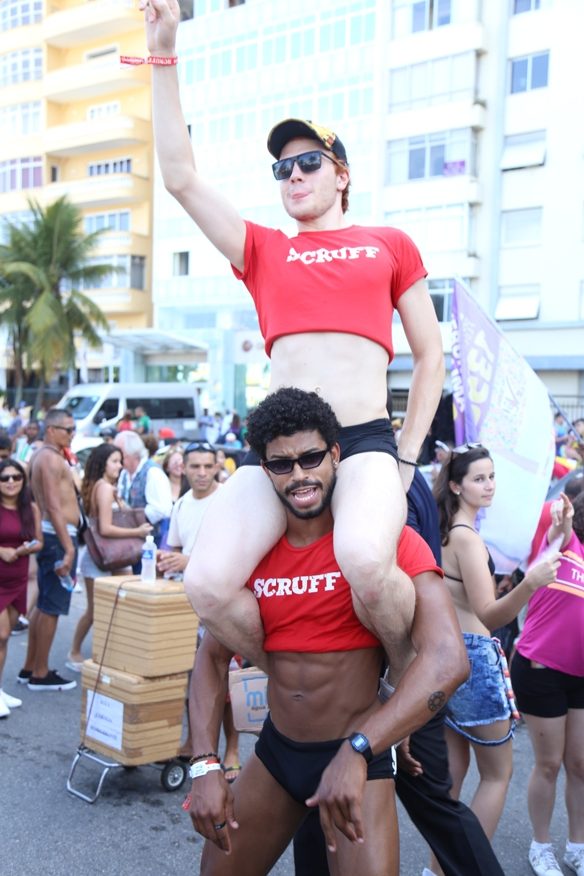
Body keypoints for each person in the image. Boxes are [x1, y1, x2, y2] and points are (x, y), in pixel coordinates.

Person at [142, 0, 445, 677]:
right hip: (277, 448)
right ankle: (291, 679)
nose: (295, 175)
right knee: (206, 584)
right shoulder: (264, 249)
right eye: (283, 169)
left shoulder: (389, 242)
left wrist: (405, 458)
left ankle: (398, 680)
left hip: (363, 441)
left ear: (342, 173)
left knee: (365, 559)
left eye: (309, 161)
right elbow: (180, 178)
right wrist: (163, 51)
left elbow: (431, 356)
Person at [185, 387, 467, 875]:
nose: (299, 474)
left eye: (311, 457)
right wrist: (205, 763)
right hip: (277, 754)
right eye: (281, 464)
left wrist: (363, 747)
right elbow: (211, 658)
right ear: (265, 471)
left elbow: (447, 660)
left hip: (358, 754)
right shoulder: (251, 553)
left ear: (335, 454)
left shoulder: (381, 544)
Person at [432, 444, 561, 857]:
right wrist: (530, 584)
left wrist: (555, 538)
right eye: (479, 478)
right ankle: (468, 865)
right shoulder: (467, 539)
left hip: (445, 656)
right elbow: (490, 615)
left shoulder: (445, 531)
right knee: (497, 775)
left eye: (491, 477)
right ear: (456, 486)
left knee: (453, 776)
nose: (489, 485)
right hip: (474, 661)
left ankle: (436, 869)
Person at [510, 491, 584, 876]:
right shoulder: (566, 545)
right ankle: (541, 846)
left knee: (580, 763)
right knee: (549, 764)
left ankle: (577, 846)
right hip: (541, 670)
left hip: (580, 675)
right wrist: (564, 517)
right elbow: (560, 527)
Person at [157, 440, 241, 777]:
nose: (202, 473)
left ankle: (232, 750)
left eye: (208, 466)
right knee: (193, 678)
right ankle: (195, 742)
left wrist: (187, 560)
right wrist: (167, 560)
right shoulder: (181, 504)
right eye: (195, 466)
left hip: (224, 604)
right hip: (187, 605)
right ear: (183, 468)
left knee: (229, 683)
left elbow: (239, 553)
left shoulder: (230, 499)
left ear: (217, 466)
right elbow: (175, 548)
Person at [66, 444, 153, 671]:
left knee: (110, 609)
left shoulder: (101, 486)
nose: (120, 466)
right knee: (98, 610)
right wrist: (137, 531)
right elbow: (104, 528)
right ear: (102, 463)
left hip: (109, 556)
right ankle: (75, 652)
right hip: (102, 557)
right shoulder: (104, 488)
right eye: (114, 461)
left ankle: (104, 654)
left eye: (120, 461)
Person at [19, 407, 82, 691]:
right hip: (58, 537)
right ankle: (40, 673)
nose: (72, 434)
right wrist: (69, 549)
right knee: (51, 606)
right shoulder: (48, 458)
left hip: (55, 535)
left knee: (45, 604)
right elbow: (54, 506)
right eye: (68, 429)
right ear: (52, 430)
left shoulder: (46, 456)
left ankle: (31, 667)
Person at [0, 459, 42, 716]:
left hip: (17, 579)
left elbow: (39, 541)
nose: (11, 482)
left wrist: (26, 548)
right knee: (2, 634)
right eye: (4, 477)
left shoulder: (31, 508)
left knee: (3, 639)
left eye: (16, 477)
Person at [114, 431, 172, 547]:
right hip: (132, 542)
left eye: (120, 454)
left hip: (153, 542)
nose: (117, 458)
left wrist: (133, 516)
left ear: (132, 454)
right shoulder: (124, 473)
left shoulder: (153, 472)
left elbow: (161, 510)